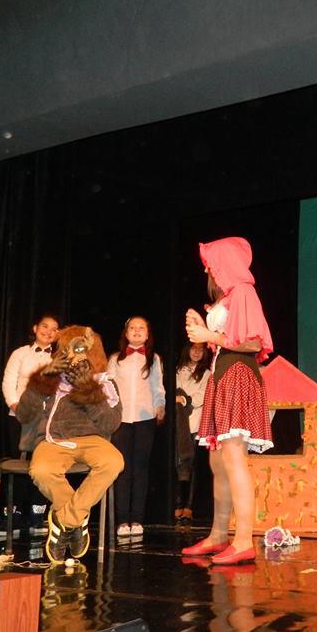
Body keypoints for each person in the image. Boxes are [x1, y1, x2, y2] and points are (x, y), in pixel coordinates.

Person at [182, 237, 274, 565]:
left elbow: (252, 343)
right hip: (222, 373)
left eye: (211, 264)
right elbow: (226, 340)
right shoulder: (228, 297)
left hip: (237, 374)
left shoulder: (244, 292)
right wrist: (202, 326)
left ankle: (244, 540)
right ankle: (219, 535)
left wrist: (209, 335)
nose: (207, 270)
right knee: (218, 463)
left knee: (234, 458)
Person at [18, 325, 124, 563]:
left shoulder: (105, 383)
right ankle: (76, 521)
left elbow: (110, 424)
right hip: (53, 440)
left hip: (93, 440)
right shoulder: (51, 379)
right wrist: (42, 380)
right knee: (41, 470)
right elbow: (24, 413)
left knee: (113, 461)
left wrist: (88, 390)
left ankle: (63, 520)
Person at [1, 313, 60, 537]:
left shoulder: (59, 357)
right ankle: (12, 516)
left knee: (42, 465)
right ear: (35, 328)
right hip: (19, 416)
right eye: (45, 326)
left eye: (54, 329)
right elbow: (8, 382)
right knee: (17, 464)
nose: (48, 332)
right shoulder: (20, 353)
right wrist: (17, 406)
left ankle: (37, 515)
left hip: (47, 420)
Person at [107, 316, 165, 538]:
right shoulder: (115, 359)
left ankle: (137, 519)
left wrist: (160, 406)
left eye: (142, 328)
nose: (137, 331)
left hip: (145, 417)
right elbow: (108, 387)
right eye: (133, 327)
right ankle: (122, 520)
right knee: (122, 469)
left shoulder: (154, 358)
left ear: (148, 334)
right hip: (121, 419)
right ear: (126, 333)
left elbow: (158, 387)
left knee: (140, 469)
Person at [174, 342, 212, 523]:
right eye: (193, 348)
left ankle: (189, 506)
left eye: (201, 349)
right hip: (178, 423)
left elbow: (204, 394)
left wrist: (185, 400)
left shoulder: (206, 373)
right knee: (178, 463)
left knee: (193, 464)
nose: (197, 352)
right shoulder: (177, 370)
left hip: (196, 422)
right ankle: (177, 503)